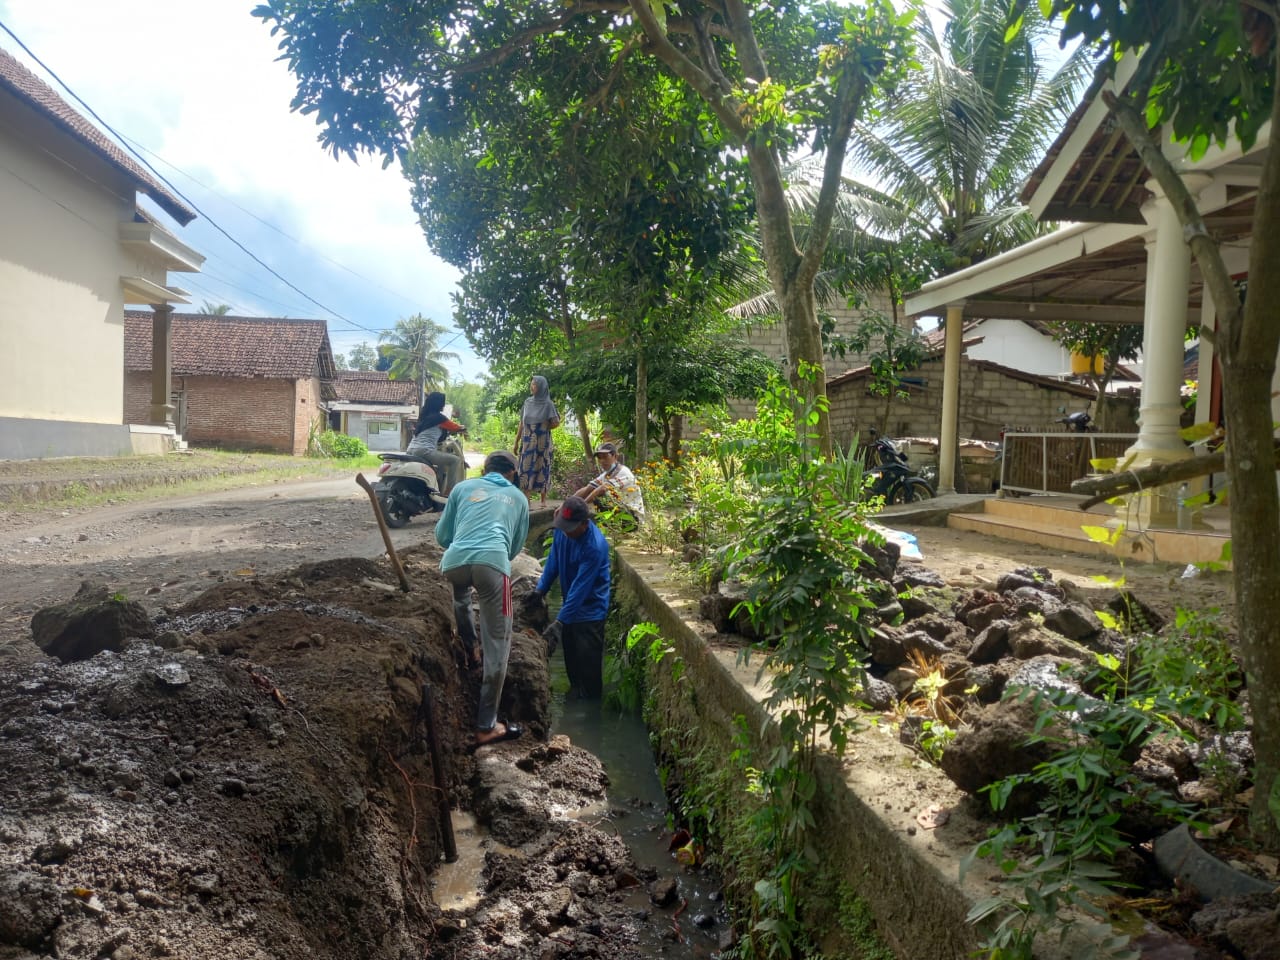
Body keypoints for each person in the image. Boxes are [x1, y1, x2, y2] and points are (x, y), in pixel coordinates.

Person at [434, 450, 530, 749]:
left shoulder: (462, 488)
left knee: (461, 594)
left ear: (485, 469)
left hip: (453, 562)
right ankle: (486, 725)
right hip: (493, 564)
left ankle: (469, 646)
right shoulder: (518, 498)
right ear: (512, 473)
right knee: (498, 643)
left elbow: (442, 536)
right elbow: (514, 548)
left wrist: (467, 545)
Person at [528, 496, 611, 700]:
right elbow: (554, 561)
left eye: (570, 528)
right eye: (563, 527)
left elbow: (580, 589)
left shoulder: (594, 546)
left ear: (585, 524)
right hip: (569, 611)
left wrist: (559, 622)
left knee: (589, 678)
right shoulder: (562, 530)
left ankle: (590, 711)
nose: (565, 532)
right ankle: (574, 698)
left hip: (590, 614)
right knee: (573, 671)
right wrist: (540, 590)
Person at [406, 391, 466, 495]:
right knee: (455, 460)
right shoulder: (439, 418)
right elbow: (456, 427)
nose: (443, 405)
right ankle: (449, 492)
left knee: (440, 465)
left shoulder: (423, 417)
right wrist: (463, 428)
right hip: (424, 451)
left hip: (410, 450)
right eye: (443, 403)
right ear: (439, 404)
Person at [514, 375, 560, 505]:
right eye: (532, 384)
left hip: (543, 443)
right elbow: (521, 423)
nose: (532, 386)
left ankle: (543, 501)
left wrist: (544, 428)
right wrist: (516, 442)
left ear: (541, 387)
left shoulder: (548, 404)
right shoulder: (527, 402)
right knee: (525, 469)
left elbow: (556, 422)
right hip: (528, 442)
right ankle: (526, 501)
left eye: (534, 384)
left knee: (542, 467)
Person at [574, 442, 646, 521]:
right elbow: (588, 488)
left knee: (598, 499)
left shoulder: (623, 472)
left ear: (615, 456)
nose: (602, 461)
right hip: (619, 511)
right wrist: (568, 505)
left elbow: (602, 489)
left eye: (605, 457)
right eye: (599, 458)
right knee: (592, 503)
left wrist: (582, 506)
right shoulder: (607, 474)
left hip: (633, 516)